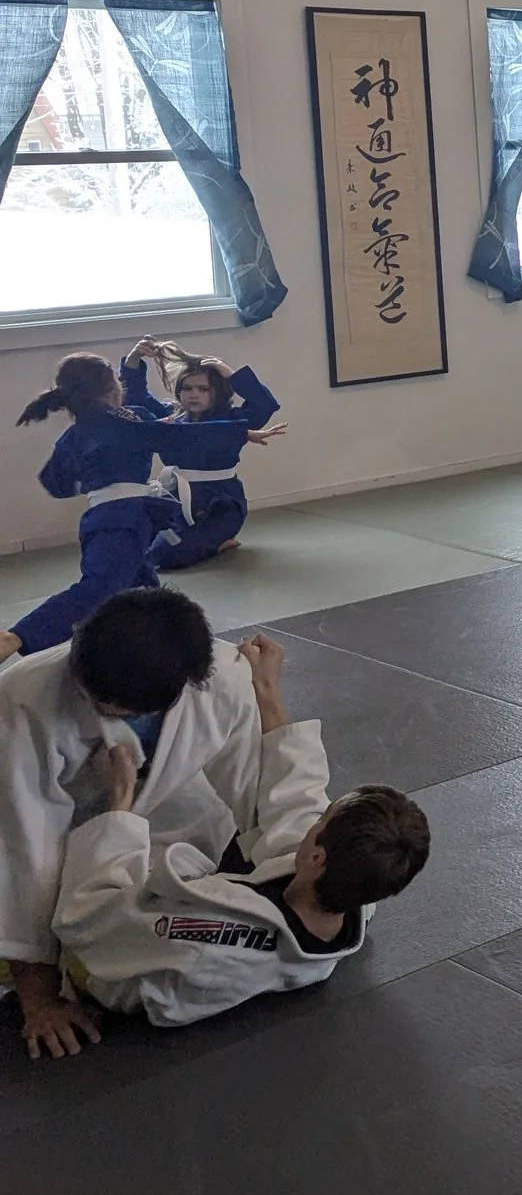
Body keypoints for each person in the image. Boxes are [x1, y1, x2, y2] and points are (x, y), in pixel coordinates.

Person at [49, 632, 430, 1028]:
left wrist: (121, 803)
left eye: (322, 822)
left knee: (59, 844)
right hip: (186, 931)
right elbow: (300, 798)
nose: (315, 818)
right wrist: (265, 688)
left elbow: (86, 920)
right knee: (206, 802)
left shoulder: (214, 929)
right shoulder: (356, 896)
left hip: (102, 973)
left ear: (317, 858)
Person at [1, 588, 267, 1059]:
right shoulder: (22, 702)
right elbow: (25, 848)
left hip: (157, 821)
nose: (95, 708)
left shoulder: (225, 679)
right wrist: (39, 1000)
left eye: (114, 709)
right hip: (33, 829)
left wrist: (293, 885)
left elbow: (252, 788)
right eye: (88, 695)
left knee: (156, 944)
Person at [2, 351, 258, 663]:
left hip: (106, 515)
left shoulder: (74, 435)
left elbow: (54, 482)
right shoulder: (129, 421)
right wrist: (240, 432)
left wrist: (96, 479)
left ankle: (171, 647)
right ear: (112, 390)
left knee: (144, 589)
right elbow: (174, 434)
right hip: (123, 520)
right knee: (100, 587)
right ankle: (17, 636)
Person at [117, 336, 287, 571]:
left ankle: (217, 541)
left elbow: (264, 404)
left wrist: (229, 374)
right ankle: (203, 542)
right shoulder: (172, 417)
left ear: (216, 392)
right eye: (187, 388)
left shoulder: (232, 419)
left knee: (162, 555)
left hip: (219, 507)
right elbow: (135, 397)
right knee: (127, 543)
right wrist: (134, 360)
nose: (193, 394)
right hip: (174, 498)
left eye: (203, 389)